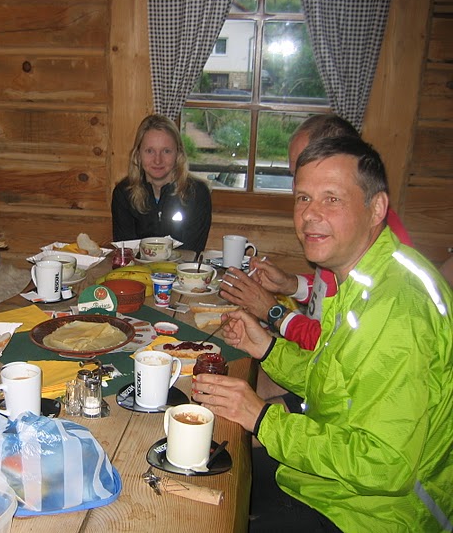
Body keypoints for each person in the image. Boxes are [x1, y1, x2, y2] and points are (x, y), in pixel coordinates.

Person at [194, 137, 453, 531]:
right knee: (197, 470)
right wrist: (266, 347)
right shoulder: (364, 277)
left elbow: (385, 467)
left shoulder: (399, 308)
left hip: (374, 514)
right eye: (303, 198)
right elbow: (336, 380)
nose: (310, 215)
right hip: (327, 482)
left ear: (376, 208)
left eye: (332, 198)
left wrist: (260, 417)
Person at [220, 114, 413, 352]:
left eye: (331, 197)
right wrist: (290, 284)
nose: (308, 213)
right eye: (296, 176)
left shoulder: (394, 291)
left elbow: (331, 346)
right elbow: (328, 300)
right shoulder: (353, 241)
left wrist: (272, 311)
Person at [111, 114, 211, 253]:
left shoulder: (197, 193)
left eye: (166, 151)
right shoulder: (123, 193)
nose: (157, 160)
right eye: (149, 151)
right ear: (138, 154)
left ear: (178, 154)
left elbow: (191, 252)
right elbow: (126, 252)